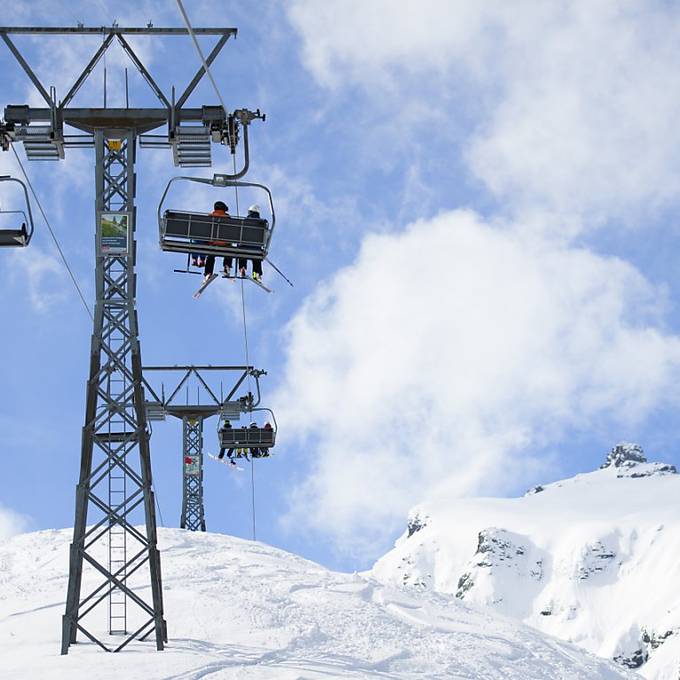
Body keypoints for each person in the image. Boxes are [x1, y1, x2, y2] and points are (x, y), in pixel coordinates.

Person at [203, 201, 233, 280]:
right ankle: (227, 266)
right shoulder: (228, 218)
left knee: (210, 255)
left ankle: (208, 273)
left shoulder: (210, 217)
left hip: (213, 243)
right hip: (225, 243)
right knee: (230, 249)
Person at [246, 204, 264, 281]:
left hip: (244, 245)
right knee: (256, 258)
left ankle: (242, 268)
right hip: (256, 247)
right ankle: (256, 274)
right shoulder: (262, 223)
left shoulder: (245, 221)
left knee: (242, 255)